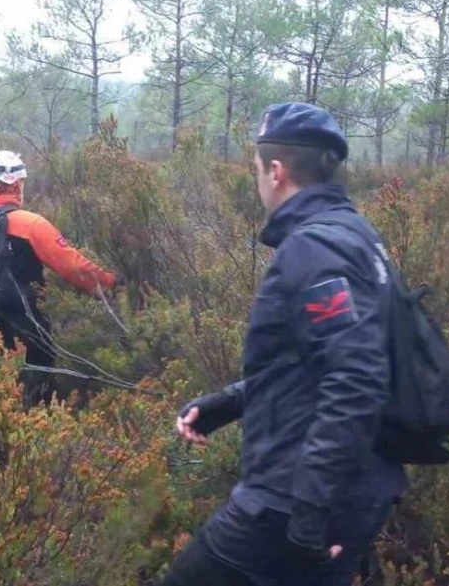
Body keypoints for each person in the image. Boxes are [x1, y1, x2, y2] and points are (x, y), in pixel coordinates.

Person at [161, 103, 408, 586]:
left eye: (256, 171)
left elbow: (356, 378)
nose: (257, 183)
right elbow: (321, 360)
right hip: (346, 487)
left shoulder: (315, 249)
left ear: (275, 172)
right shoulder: (356, 235)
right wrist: (230, 402)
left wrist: (308, 516)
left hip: (289, 502)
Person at [0, 149, 120, 409]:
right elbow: (73, 266)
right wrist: (112, 285)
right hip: (23, 324)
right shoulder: (29, 223)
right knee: (34, 396)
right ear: (14, 182)